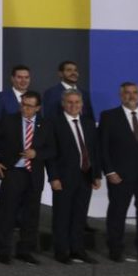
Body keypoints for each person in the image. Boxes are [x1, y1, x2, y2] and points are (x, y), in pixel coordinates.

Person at [0, 91, 53, 265]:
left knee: (31, 215)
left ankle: (25, 250)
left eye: (29, 106)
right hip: (13, 173)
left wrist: (36, 153)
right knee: (7, 214)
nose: (25, 108)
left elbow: (52, 150)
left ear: (38, 108)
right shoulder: (9, 120)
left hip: (34, 174)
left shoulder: (45, 125)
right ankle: (3, 250)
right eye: (23, 104)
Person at [100, 82, 138, 263]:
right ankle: (115, 249)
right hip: (119, 176)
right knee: (117, 213)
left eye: (135, 92)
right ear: (121, 96)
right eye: (127, 93)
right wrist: (109, 171)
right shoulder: (109, 116)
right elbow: (103, 148)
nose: (131, 96)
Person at [46, 89, 101, 264]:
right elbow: (51, 153)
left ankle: (78, 250)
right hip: (63, 178)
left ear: (82, 105)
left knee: (79, 215)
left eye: (77, 102)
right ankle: (61, 251)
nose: (73, 105)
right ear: (63, 104)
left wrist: (96, 174)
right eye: (70, 102)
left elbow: (95, 151)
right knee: (62, 216)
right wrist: (53, 177)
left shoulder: (88, 123)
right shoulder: (54, 122)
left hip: (85, 176)